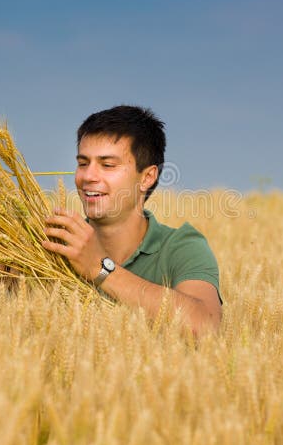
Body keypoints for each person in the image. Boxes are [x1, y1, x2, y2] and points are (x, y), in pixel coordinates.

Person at [41, 105, 222, 336]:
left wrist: (100, 268)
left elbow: (205, 326)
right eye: (83, 163)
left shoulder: (181, 246)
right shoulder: (54, 244)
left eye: (107, 165)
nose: (88, 176)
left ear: (147, 177)